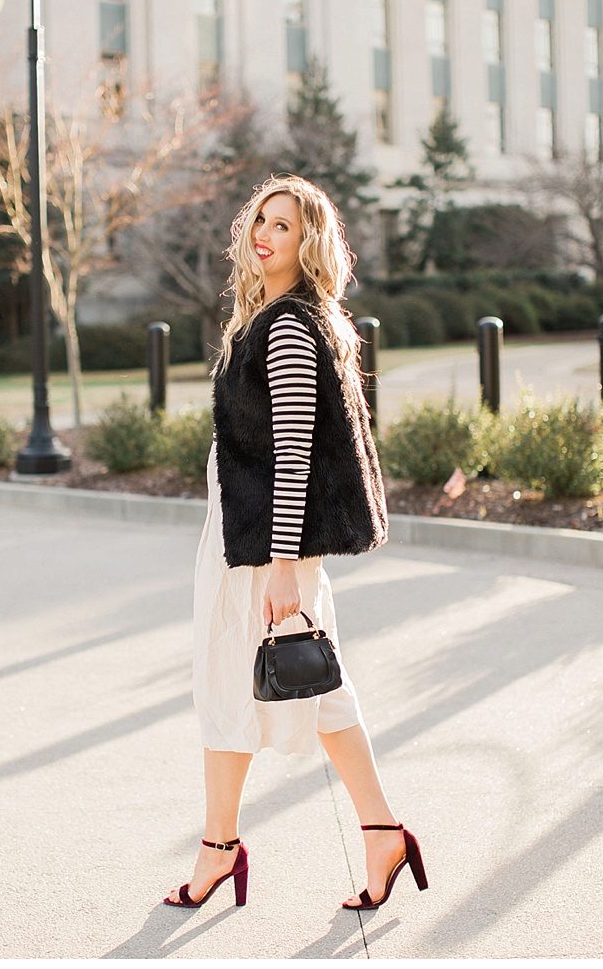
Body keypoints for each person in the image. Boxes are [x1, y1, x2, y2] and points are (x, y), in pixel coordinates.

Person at [163, 175, 427, 912]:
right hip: (249, 538)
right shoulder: (278, 316)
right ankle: (381, 832)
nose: (264, 234)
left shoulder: (285, 326)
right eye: (260, 220)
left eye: (283, 225)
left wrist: (282, 563)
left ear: (309, 242)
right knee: (321, 692)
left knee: (235, 684)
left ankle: (221, 849)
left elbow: (295, 453)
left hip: (260, 549)